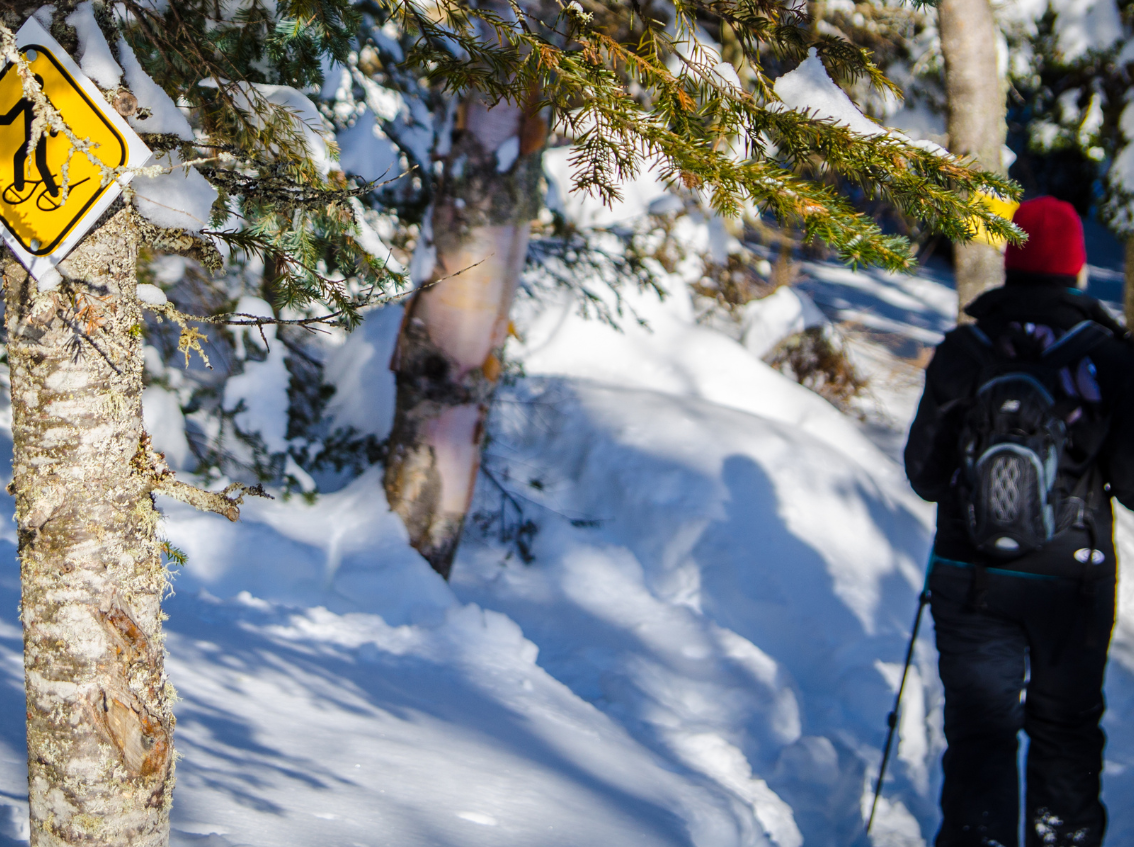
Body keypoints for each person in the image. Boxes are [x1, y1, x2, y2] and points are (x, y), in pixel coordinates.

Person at [904, 195, 1134, 847]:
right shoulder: (1108, 356)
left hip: (971, 572)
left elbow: (924, 475)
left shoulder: (965, 348)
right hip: (1073, 579)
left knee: (980, 733)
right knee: (1066, 730)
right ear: (1077, 266)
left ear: (1011, 260)